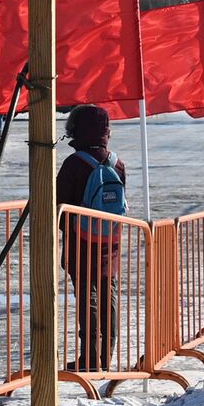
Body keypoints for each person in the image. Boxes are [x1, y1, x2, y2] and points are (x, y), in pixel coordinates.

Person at [55, 105, 126, 373]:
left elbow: (59, 204)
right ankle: (105, 356)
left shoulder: (74, 164)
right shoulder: (117, 163)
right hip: (111, 241)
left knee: (89, 299)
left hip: (81, 243)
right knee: (110, 296)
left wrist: (67, 228)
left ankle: (90, 359)